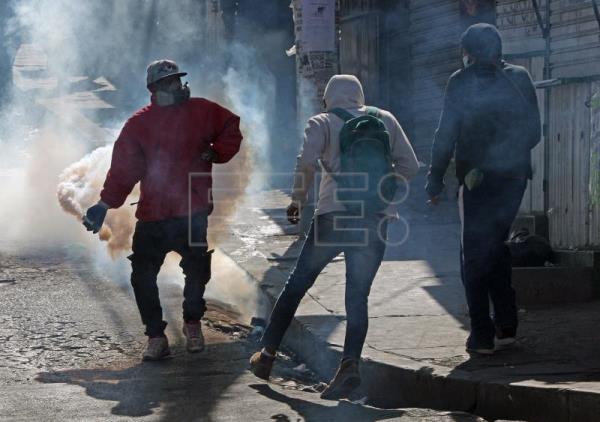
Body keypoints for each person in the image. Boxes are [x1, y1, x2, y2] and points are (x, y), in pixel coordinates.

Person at [249, 75, 419, 399]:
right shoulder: (385, 119)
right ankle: (349, 365)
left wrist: (297, 200)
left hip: (332, 218)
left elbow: (307, 164)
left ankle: (267, 356)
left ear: (328, 99)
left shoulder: (322, 122)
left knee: (297, 285)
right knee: (357, 296)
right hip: (375, 219)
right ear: (359, 96)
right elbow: (409, 166)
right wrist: (382, 186)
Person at [83, 60, 243, 361]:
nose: (176, 86)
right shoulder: (139, 125)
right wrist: (105, 204)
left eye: (178, 80)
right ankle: (156, 336)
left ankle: (192, 323)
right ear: (154, 89)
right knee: (142, 276)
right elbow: (123, 170)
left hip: (192, 212)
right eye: (169, 82)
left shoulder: (202, 111)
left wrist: (216, 151)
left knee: (197, 269)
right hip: (153, 216)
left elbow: (230, 127)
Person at [425, 23, 541, 355]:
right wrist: (509, 155)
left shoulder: (461, 81)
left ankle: (481, 333)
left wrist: (435, 178)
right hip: (514, 178)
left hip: (478, 180)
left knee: (473, 254)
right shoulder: (519, 77)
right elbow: (534, 131)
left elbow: (446, 132)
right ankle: (506, 325)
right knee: (494, 245)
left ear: (470, 52)